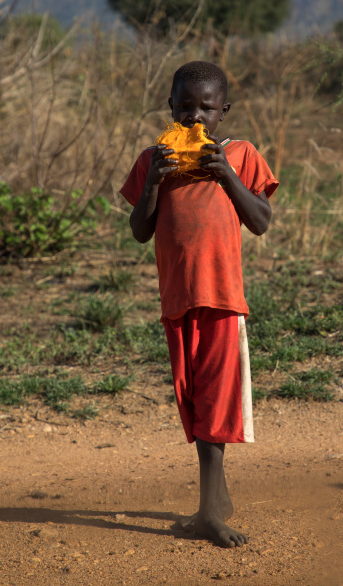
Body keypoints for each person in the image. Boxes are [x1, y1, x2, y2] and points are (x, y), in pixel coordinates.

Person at [120, 61, 278, 548]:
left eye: (205, 108)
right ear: (170, 107)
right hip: (177, 300)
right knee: (192, 401)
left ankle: (209, 512)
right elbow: (140, 231)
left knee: (215, 400)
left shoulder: (242, 155)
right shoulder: (153, 159)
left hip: (223, 299)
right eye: (184, 107)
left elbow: (261, 221)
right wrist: (153, 184)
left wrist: (224, 172)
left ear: (222, 112)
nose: (194, 118)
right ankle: (217, 499)